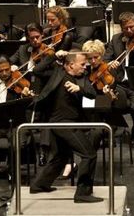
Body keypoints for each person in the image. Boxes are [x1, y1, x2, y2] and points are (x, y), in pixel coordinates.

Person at [30, 51, 102, 203]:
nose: (85, 67)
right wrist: (54, 56)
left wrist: (79, 90)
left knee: (60, 157)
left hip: (65, 123)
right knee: (89, 154)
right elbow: (37, 70)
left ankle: (39, 185)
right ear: (70, 65)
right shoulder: (57, 74)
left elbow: (92, 94)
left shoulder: (81, 79)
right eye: (82, 64)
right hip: (64, 123)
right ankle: (83, 194)